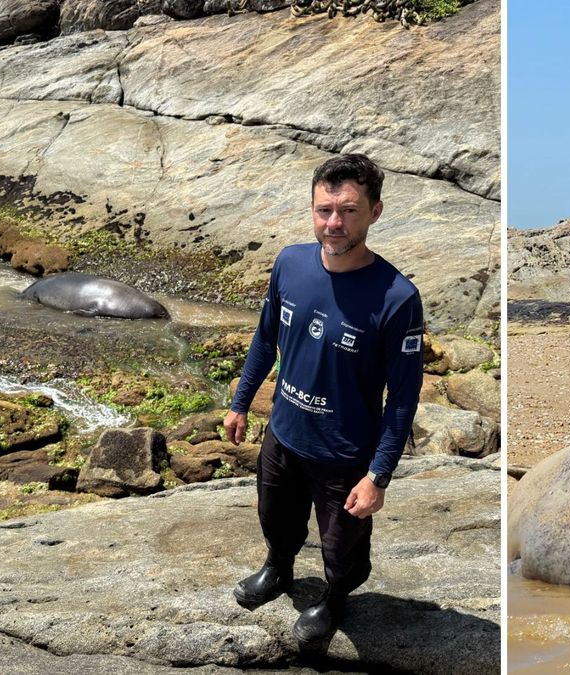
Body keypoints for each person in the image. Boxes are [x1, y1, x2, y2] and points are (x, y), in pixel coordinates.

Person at [223, 153, 425, 652]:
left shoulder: (397, 298)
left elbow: (402, 398)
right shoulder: (290, 263)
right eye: (324, 210)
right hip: (285, 433)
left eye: (349, 211)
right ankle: (279, 568)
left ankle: (335, 597)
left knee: (341, 548)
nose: (334, 223)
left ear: (375, 212)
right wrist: (241, 402)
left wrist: (378, 475)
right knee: (275, 516)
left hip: (344, 452)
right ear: (313, 210)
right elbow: (266, 338)